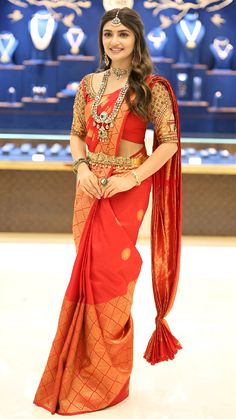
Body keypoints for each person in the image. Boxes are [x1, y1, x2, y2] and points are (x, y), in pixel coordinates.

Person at [33, 7, 182, 416]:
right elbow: (76, 134)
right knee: (86, 270)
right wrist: (81, 167)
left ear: (137, 39)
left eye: (123, 35)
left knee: (110, 273)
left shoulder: (153, 88)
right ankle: (78, 365)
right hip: (89, 186)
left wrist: (132, 179)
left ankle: (106, 375)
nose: (115, 41)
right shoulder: (89, 83)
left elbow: (167, 143)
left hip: (127, 187)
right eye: (109, 34)